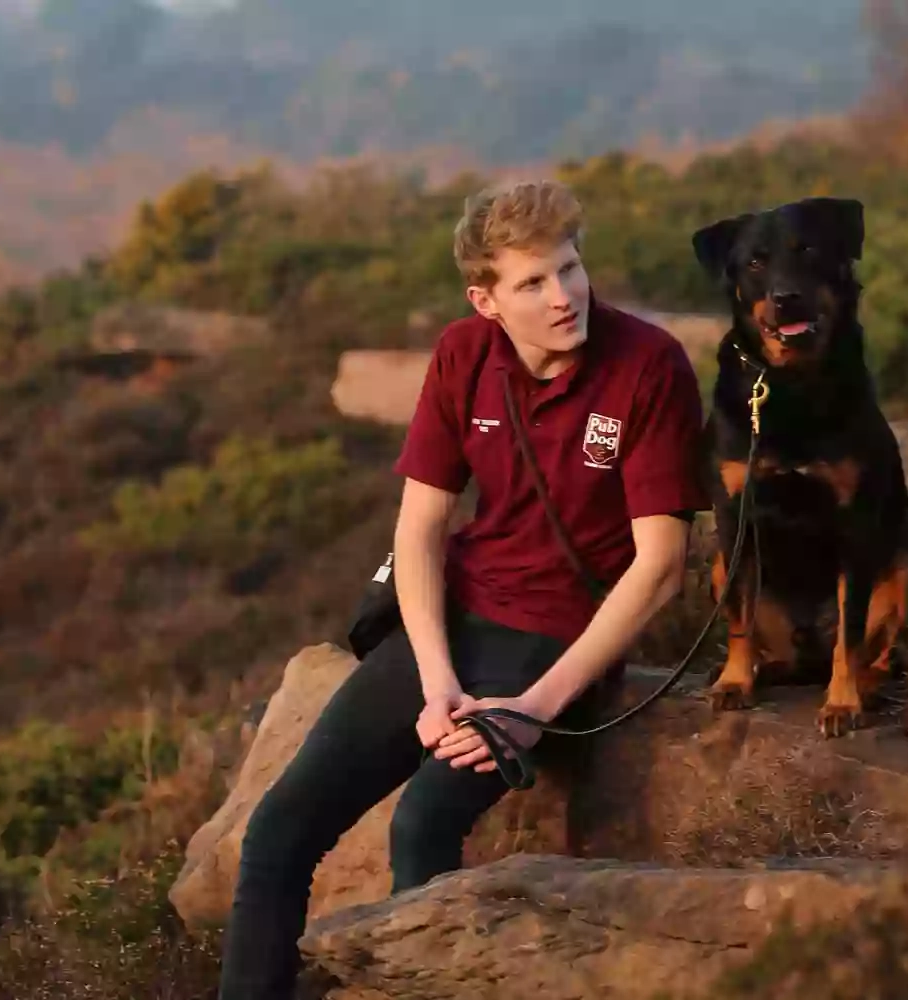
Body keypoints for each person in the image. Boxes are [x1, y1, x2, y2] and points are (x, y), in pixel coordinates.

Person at [217, 178, 710, 998]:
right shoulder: (461, 355)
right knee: (277, 831)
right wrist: (438, 682)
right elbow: (419, 529)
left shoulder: (646, 366)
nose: (563, 297)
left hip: (558, 639)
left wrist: (533, 708)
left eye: (570, 269)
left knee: (423, 825)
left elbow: (660, 564)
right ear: (485, 299)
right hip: (456, 622)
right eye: (532, 283)